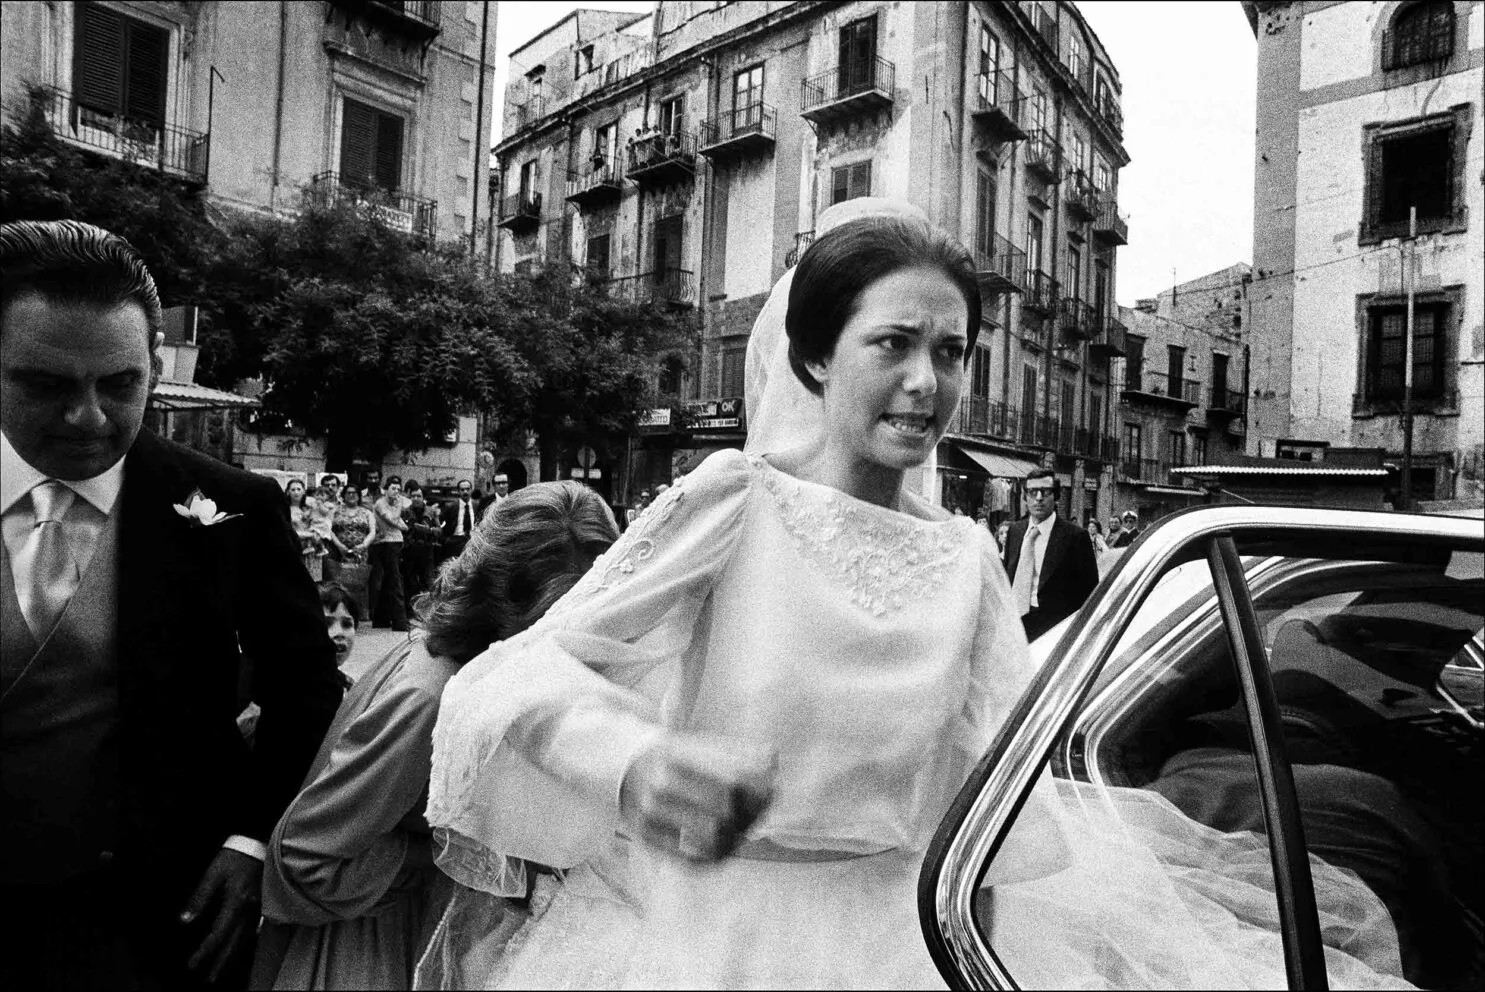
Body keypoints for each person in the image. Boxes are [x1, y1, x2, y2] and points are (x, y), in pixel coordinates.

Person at [424, 214, 1410, 990]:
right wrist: (635, 762)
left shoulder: (967, 558)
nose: (924, 381)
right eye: (893, 342)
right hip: (705, 945)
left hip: (908, 947)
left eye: (952, 350)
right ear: (815, 357)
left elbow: (992, 791)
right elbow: (511, 671)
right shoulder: (734, 500)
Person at [0, 219, 344, 989]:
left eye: (120, 384)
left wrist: (252, 840)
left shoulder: (228, 505)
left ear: (155, 365)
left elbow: (306, 687)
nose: (88, 418)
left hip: (163, 908)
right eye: (46, 385)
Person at [252, 482, 620, 990]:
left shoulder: (465, 667)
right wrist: (451, 857)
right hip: (371, 952)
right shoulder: (433, 696)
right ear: (501, 602)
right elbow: (302, 858)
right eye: (555, 622)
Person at [1002, 469, 1099, 642]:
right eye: (1032, 492)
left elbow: (1090, 595)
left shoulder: (1075, 537)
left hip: (1053, 631)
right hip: (1013, 625)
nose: (1038, 498)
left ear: (1056, 496)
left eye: (1045, 492)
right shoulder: (1015, 531)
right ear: (1025, 497)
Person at [369, 475, 409, 632]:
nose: (396, 492)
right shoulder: (380, 503)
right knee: (395, 580)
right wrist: (399, 506)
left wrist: (397, 519)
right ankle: (400, 621)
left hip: (396, 542)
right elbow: (393, 520)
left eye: (399, 489)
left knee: (389, 580)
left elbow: (404, 526)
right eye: (393, 488)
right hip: (385, 543)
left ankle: (381, 619)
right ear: (386, 489)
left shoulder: (392, 504)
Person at [326, 484, 375, 610]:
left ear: (359, 496)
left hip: (360, 552)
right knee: (338, 582)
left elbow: (372, 531)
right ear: (344, 495)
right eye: (348, 493)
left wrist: (364, 545)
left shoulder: (367, 512)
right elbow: (327, 529)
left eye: (354, 493)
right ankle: (339, 610)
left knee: (358, 581)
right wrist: (339, 545)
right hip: (338, 551)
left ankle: (360, 612)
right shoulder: (335, 511)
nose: (351, 495)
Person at [400, 481, 441, 618]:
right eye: (413, 496)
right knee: (410, 582)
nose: (416, 499)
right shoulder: (405, 512)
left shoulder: (430, 511)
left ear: (423, 497)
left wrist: (428, 530)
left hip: (426, 550)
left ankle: (428, 612)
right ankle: (411, 612)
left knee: (428, 581)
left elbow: (439, 530)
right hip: (410, 551)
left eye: (418, 496)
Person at [286, 478, 324, 581]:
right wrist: (307, 534)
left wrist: (315, 532)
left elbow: (318, 524)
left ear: (303, 491)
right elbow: (286, 531)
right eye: (293, 489)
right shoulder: (285, 510)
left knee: (313, 581)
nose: (296, 492)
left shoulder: (308, 508)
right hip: (293, 548)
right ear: (288, 492)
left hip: (311, 549)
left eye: (298, 489)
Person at [440, 479, 478, 565]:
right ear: (458, 491)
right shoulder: (450, 507)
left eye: (468, 489)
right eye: (462, 490)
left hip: (473, 539)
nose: (465, 492)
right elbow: (442, 523)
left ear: (471, 490)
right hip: (456, 539)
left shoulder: (477, 505)